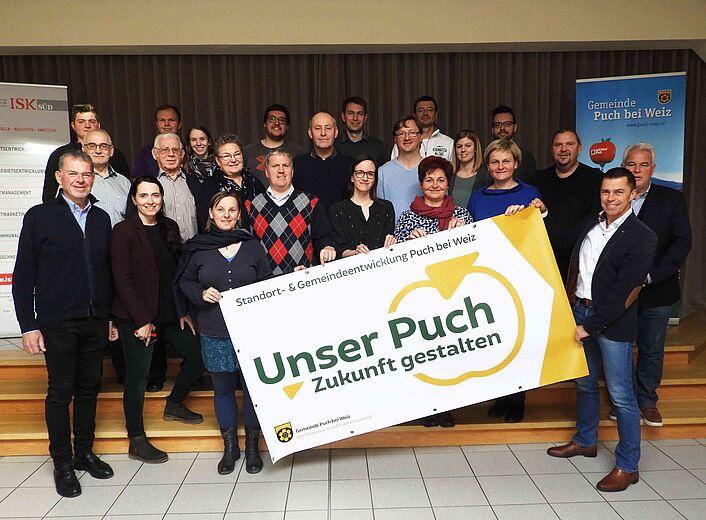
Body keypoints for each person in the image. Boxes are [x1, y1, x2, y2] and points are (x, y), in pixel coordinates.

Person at [548, 168, 657, 493]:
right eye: (606, 192)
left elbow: (625, 293)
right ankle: (585, 441)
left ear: (632, 194)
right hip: (580, 309)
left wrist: (589, 326)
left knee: (622, 396)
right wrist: (540, 215)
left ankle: (628, 466)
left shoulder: (642, 236)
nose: (610, 198)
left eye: (618, 192)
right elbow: (565, 249)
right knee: (585, 384)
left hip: (611, 323)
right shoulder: (591, 223)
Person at [13, 150, 115, 498]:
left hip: (95, 319)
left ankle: (84, 452)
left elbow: (106, 271)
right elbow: (23, 275)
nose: (81, 180)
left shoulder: (101, 218)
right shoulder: (40, 216)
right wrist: (28, 325)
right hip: (57, 321)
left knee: (89, 389)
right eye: (73, 173)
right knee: (61, 392)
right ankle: (63, 463)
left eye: (87, 174)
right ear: (59, 177)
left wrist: (109, 316)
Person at [111, 176, 205, 464]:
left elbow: (174, 276)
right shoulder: (123, 231)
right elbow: (123, 280)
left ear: (162, 198)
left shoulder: (169, 227)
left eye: (155, 195)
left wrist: (183, 311)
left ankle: (174, 403)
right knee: (138, 378)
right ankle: (136, 439)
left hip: (168, 313)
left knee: (198, 354)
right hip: (137, 317)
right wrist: (142, 320)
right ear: (134, 199)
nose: (150, 201)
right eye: (144, 195)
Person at [177, 192, 272, 475]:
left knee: (254, 390)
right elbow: (184, 280)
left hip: (251, 331)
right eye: (221, 209)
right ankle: (230, 448)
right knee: (223, 389)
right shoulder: (198, 248)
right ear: (211, 212)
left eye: (232, 210)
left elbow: (267, 280)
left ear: (239, 214)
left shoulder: (252, 246)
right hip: (215, 330)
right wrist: (200, 293)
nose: (227, 215)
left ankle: (253, 447)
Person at [612, 142, 691, 427]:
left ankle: (647, 400)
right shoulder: (612, 198)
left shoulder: (672, 199)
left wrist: (651, 275)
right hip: (619, 291)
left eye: (643, 165)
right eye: (631, 164)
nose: (637, 170)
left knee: (651, 348)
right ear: (624, 167)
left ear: (653, 168)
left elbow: (682, 242)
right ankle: (623, 401)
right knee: (619, 347)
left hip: (657, 288)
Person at [468, 138, 546, 423]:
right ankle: (501, 395)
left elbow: (540, 232)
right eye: (495, 162)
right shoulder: (478, 196)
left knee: (519, 339)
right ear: (488, 166)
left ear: (516, 164)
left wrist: (540, 212)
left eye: (506, 161)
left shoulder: (530, 193)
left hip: (520, 277)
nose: (500, 166)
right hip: (487, 277)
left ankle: (517, 398)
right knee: (495, 341)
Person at [393, 156, 471, 427]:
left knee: (450, 353)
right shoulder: (407, 217)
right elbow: (394, 259)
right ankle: (426, 407)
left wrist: (463, 235)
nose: (435, 185)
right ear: (421, 184)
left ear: (448, 184)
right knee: (423, 353)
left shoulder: (462, 215)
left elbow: (475, 253)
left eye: (440, 180)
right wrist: (407, 241)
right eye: (429, 180)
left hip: (453, 295)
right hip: (419, 296)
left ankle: (447, 408)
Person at [245, 150, 337, 275]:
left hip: (303, 279)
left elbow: (323, 236)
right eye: (275, 166)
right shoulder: (251, 205)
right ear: (266, 172)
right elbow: (245, 246)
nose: (281, 170)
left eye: (286, 166)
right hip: (265, 283)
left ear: (292, 171)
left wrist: (327, 247)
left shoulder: (311, 203)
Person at [532, 130, 601, 282]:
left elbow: (595, 218)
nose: (563, 149)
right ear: (552, 150)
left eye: (569, 144)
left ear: (579, 148)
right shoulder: (538, 180)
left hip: (580, 261)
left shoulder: (595, 178)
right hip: (545, 261)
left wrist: (566, 242)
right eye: (558, 145)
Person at [42, 103, 129, 202]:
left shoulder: (116, 155)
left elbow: (126, 188)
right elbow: (49, 194)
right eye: (81, 122)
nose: (87, 126)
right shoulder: (59, 154)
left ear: (98, 125)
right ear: (73, 125)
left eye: (92, 121)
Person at [329, 157, 396, 258]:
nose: (365, 178)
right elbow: (339, 249)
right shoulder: (337, 210)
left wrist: (392, 241)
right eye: (360, 173)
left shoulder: (386, 207)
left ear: (375, 179)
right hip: (351, 266)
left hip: (382, 263)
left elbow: (390, 239)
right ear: (352, 177)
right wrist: (355, 253)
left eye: (370, 174)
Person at [197, 134, 265, 230]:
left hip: (253, 237)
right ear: (218, 160)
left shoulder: (254, 182)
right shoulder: (209, 185)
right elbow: (204, 221)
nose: (233, 160)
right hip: (222, 237)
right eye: (226, 156)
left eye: (237, 154)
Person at [293, 111, 354, 213]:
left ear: (336, 132)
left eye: (328, 128)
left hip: (342, 222)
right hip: (307, 222)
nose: (323, 133)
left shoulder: (350, 165)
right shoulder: (296, 165)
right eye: (317, 128)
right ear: (310, 133)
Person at [151, 133, 200, 244]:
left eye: (175, 150)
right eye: (165, 150)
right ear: (155, 154)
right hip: (161, 249)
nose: (171, 154)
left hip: (193, 248)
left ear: (182, 154)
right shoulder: (148, 183)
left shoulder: (194, 182)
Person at [243, 104, 306, 185]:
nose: (276, 123)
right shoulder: (247, 153)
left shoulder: (299, 154)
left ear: (287, 126)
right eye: (272, 119)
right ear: (265, 124)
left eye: (281, 120)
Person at [82, 129, 131, 228]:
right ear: (84, 149)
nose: (98, 151)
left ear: (111, 151)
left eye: (103, 146)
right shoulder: (75, 181)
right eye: (92, 146)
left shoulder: (124, 182)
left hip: (121, 237)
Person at [378, 116, 423, 219]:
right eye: (402, 133)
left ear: (421, 137)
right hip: (393, 229)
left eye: (412, 133)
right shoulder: (383, 172)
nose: (407, 138)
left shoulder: (431, 169)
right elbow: (380, 213)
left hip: (428, 229)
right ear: (395, 139)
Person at [391, 96, 454, 161]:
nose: (425, 113)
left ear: (436, 114)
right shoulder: (403, 142)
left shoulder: (449, 143)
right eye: (420, 110)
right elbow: (395, 165)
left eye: (429, 110)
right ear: (414, 115)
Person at [335, 97, 387, 166]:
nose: (355, 118)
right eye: (350, 113)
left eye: (360, 114)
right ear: (343, 117)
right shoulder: (334, 146)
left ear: (365, 118)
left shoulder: (378, 147)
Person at [489, 105, 536, 182]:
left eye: (507, 124)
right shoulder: (484, 157)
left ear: (515, 127)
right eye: (497, 124)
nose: (502, 128)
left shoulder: (526, 157)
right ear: (492, 129)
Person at [133, 104, 182, 177]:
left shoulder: (187, 150)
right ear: (157, 124)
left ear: (179, 124)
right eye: (162, 120)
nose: (166, 124)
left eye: (171, 120)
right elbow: (137, 179)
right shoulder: (145, 152)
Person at [449, 129, 492, 208]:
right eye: (459, 146)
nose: (463, 150)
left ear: (475, 148)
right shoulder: (449, 174)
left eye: (468, 146)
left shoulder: (486, 175)